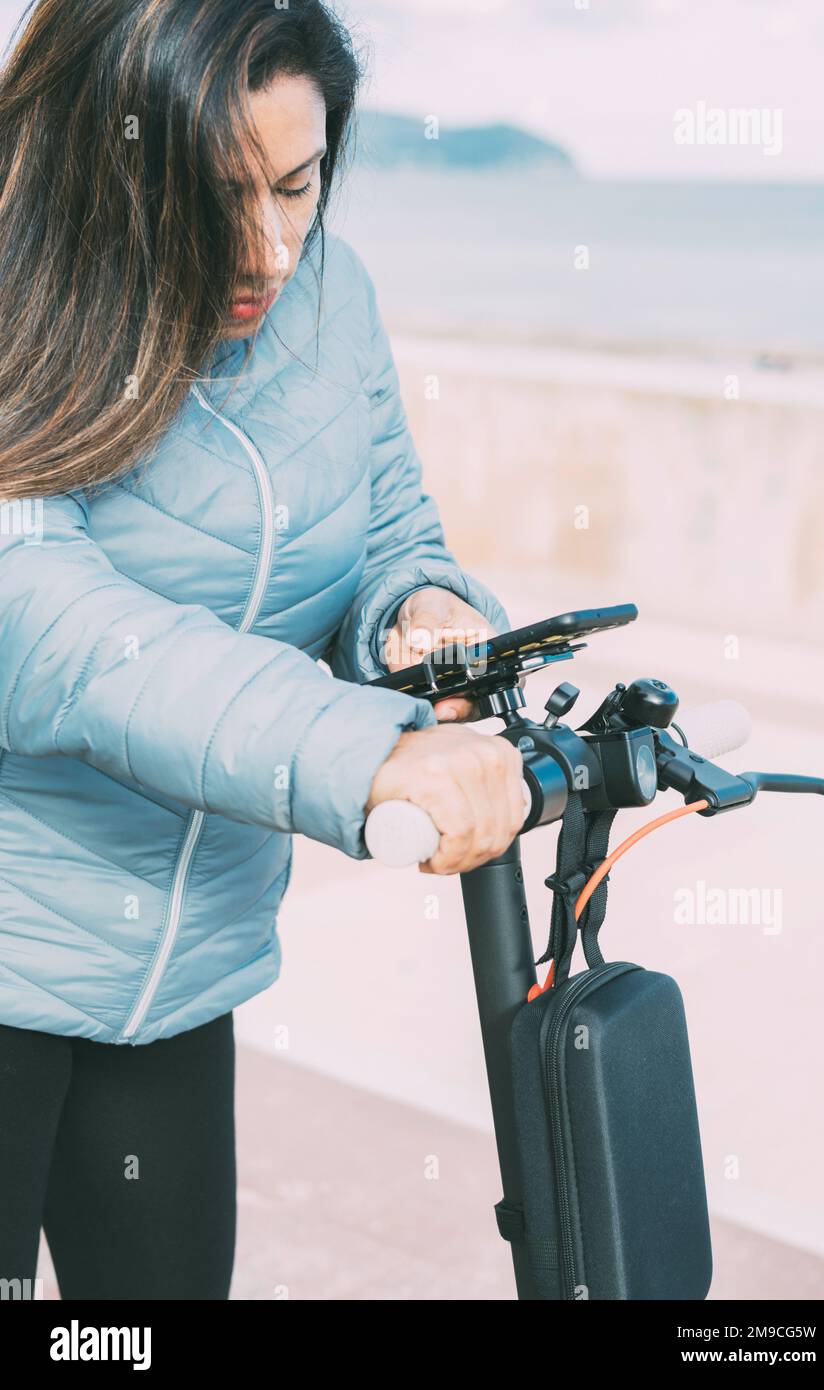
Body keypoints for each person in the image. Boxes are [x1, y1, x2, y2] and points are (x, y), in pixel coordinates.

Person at [0, 0, 525, 1299]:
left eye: (298, 183)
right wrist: (363, 754)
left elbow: (387, 521)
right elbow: (53, 623)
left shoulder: (331, 296)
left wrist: (415, 614)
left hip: (183, 963)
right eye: (213, 197)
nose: (269, 246)